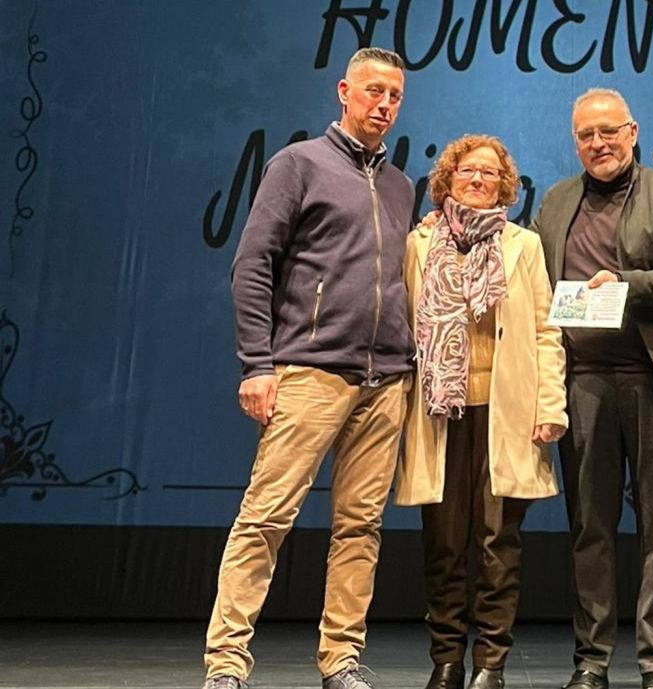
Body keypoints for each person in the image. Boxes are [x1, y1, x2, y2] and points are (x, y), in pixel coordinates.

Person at [203, 47, 415, 689]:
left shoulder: (402, 186)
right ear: (344, 92)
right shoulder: (299, 164)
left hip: (386, 381)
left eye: (394, 95)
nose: (384, 104)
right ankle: (226, 663)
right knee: (265, 517)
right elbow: (252, 264)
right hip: (310, 371)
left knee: (361, 528)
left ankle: (341, 660)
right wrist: (256, 363)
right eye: (373, 91)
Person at [528, 88, 653, 689]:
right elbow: (527, 272)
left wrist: (624, 284)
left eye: (608, 131)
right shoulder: (556, 201)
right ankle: (591, 660)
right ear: (575, 141)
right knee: (591, 528)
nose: (598, 143)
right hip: (582, 382)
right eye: (586, 135)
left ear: (632, 132)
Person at [396, 134, 567, 689]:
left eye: (489, 173)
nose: (477, 179)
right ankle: (446, 659)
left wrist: (551, 405)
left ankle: (490, 662)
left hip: (505, 412)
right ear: (448, 179)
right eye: (467, 170)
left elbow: (546, 331)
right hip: (439, 413)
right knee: (444, 544)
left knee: (497, 544)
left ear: (505, 187)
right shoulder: (420, 243)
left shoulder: (524, 245)